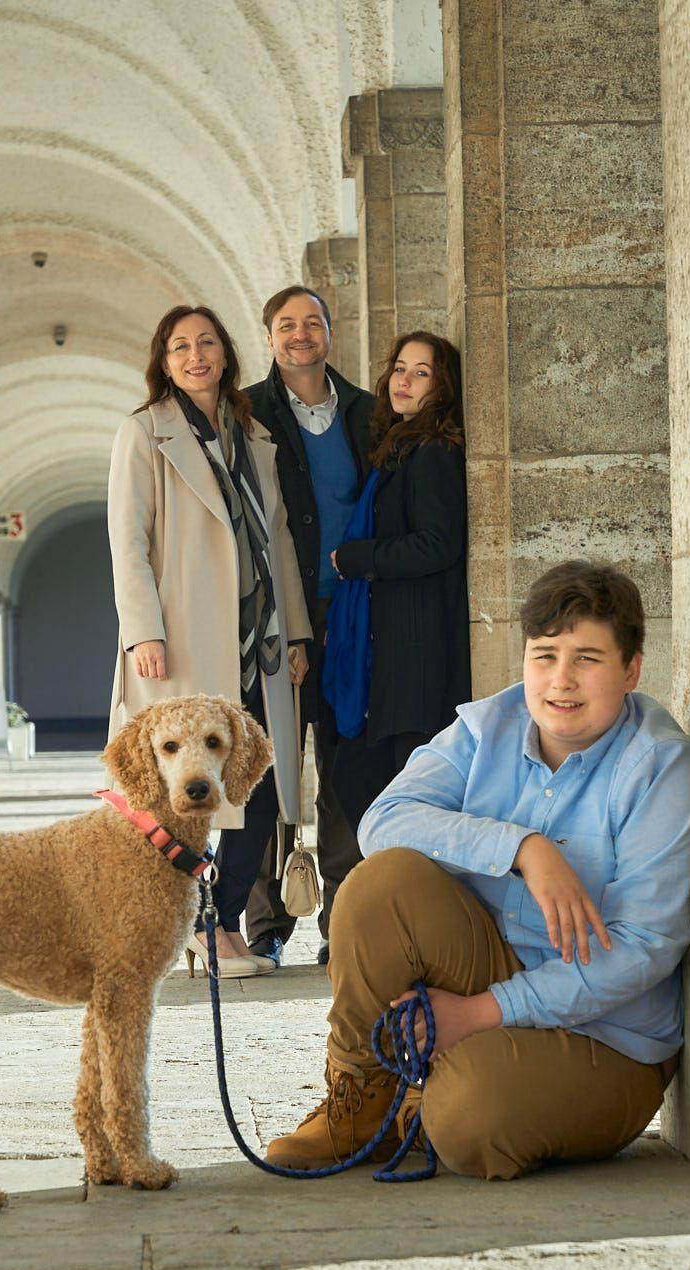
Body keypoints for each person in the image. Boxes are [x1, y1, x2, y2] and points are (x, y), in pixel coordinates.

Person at [264, 561, 690, 1178]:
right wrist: (523, 848)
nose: (562, 680)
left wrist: (480, 1012)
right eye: (544, 656)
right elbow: (384, 820)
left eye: (588, 659)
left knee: (470, 1122)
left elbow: (642, 949)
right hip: (494, 965)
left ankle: (431, 1097)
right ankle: (362, 1096)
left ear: (631, 670)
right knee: (380, 884)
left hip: (608, 1037)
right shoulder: (486, 727)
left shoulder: (659, 764)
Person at [106, 304, 312, 978]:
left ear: (226, 353)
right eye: (180, 347)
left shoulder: (251, 436)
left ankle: (221, 922)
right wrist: (143, 631)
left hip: (259, 640)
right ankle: (190, 925)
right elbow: (128, 542)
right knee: (182, 794)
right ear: (164, 363)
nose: (195, 356)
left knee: (255, 778)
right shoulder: (144, 433)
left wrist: (297, 632)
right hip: (183, 640)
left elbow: (277, 538)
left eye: (206, 343)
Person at [238, 286, 376, 969]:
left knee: (345, 768)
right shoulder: (246, 412)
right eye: (287, 325)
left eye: (312, 322)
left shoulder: (367, 413)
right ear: (269, 337)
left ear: (329, 331)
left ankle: (343, 918)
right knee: (272, 768)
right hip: (276, 616)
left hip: (354, 615)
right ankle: (265, 921)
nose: (301, 334)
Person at [323, 331, 470, 838]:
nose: (403, 380)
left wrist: (359, 557)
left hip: (416, 651)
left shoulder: (433, 453)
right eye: (400, 368)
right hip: (393, 648)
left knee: (395, 784)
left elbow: (438, 544)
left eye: (421, 373)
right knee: (358, 777)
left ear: (442, 387)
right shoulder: (399, 448)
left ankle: (407, 875)